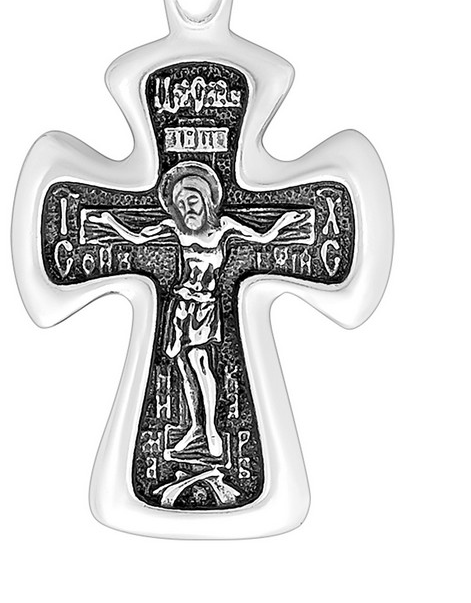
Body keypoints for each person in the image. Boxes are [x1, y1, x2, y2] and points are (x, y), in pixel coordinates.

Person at [86, 162, 308, 458]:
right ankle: (195, 427)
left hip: (204, 307)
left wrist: (286, 222)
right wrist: (108, 221)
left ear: (206, 200)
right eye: (180, 204)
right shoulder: (175, 229)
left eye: (192, 200)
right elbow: (138, 238)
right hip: (181, 308)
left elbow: (261, 237)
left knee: (201, 363)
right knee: (183, 368)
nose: (186, 209)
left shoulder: (223, 227)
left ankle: (212, 429)